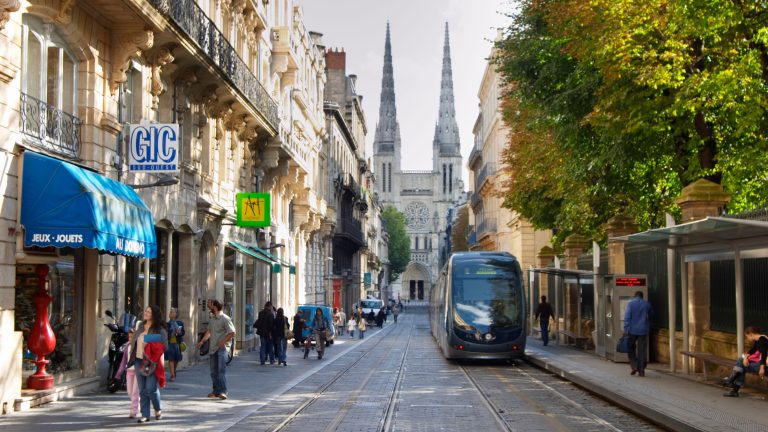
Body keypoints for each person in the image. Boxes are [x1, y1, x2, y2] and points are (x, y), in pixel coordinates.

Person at [133, 305, 168, 423]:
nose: (146, 313)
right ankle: (145, 415)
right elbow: (135, 342)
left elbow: (164, 345)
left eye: (149, 312)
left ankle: (158, 408)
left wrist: (148, 339)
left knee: (151, 388)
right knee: (142, 389)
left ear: (154, 315)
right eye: (146, 311)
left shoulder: (160, 329)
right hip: (138, 360)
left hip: (151, 362)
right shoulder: (140, 326)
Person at [196, 299, 236, 400]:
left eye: (210, 303)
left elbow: (232, 332)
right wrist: (202, 341)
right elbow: (209, 331)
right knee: (213, 371)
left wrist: (223, 341)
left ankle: (223, 391)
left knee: (221, 370)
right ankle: (216, 391)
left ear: (214, 306)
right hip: (213, 347)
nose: (208, 305)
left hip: (222, 348)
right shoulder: (212, 318)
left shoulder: (225, 318)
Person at [722, 326, 768, 397]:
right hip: (762, 363)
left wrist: (762, 368)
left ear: (751, 334)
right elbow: (752, 350)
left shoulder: (762, 339)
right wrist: (745, 358)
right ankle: (731, 381)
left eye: (747, 336)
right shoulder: (758, 340)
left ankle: (732, 383)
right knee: (741, 362)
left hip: (765, 366)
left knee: (741, 366)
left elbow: (764, 354)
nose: (747, 338)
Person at [623, 291, 654, 377]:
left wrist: (626, 329)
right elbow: (651, 315)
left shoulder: (630, 304)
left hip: (632, 330)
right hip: (643, 330)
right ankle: (641, 371)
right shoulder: (647, 304)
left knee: (630, 348)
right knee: (642, 351)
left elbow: (627, 317)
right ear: (642, 296)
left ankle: (634, 365)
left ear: (635, 296)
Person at [115, 322, 139, 418]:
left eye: (132, 337)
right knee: (129, 392)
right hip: (129, 372)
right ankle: (137, 403)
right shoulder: (127, 347)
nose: (130, 339)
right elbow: (123, 361)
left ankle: (133, 411)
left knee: (134, 392)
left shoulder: (138, 346)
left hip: (137, 372)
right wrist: (119, 373)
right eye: (129, 337)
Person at [165, 308, 185, 381]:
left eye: (173, 312)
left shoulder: (180, 323)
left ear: (176, 314)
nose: (171, 313)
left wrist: (179, 332)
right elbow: (166, 334)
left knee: (176, 359)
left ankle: (174, 370)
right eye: (170, 312)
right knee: (171, 359)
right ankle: (172, 375)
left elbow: (183, 332)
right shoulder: (167, 323)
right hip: (169, 343)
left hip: (177, 343)